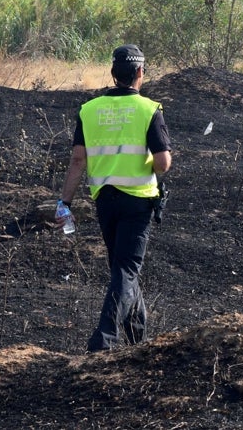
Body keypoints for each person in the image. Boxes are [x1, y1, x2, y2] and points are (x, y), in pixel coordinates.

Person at [58, 43, 172, 352]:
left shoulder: (89, 110)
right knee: (126, 270)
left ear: (112, 74)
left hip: (105, 200)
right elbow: (162, 164)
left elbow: (78, 160)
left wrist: (64, 203)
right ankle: (104, 339)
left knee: (122, 269)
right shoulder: (149, 110)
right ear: (140, 73)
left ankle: (138, 339)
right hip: (138, 202)